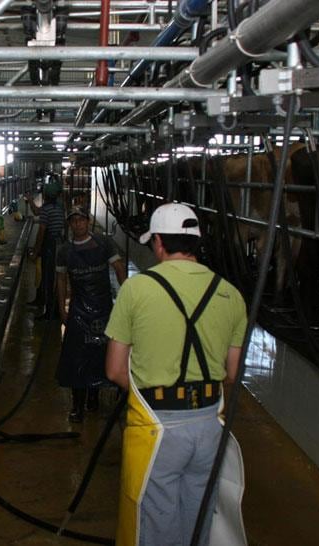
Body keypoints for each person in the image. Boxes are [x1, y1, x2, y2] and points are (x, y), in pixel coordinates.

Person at [104, 203, 247, 546]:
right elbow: (232, 373)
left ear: (158, 243)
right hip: (210, 425)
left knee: (154, 523)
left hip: (158, 425)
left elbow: (114, 370)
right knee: (198, 519)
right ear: (196, 242)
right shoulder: (230, 294)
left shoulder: (137, 290)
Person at [55, 206, 126, 422]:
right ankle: (77, 405)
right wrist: (62, 308)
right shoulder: (65, 251)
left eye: (81, 220)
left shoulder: (104, 243)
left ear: (88, 221)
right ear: (70, 224)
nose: (78, 224)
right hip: (78, 310)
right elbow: (61, 280)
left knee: (102, 353)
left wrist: (126, 301)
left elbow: (119, 268)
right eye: (73, 221)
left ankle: (93, 397)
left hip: (104, 308)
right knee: (76, 356)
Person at [25, 174, 65, 319]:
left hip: (51, 246)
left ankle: (50, 311)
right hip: (58, 243)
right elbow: (36, 211)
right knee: (45, 275)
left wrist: (35, 252)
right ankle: (40, 299)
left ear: (46, 196)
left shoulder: (48, 209)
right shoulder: (57, 206)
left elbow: (41, 233)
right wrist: (30, 201)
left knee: (49, 277)